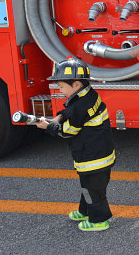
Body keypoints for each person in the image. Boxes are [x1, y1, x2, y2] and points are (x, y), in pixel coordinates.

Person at [36, 58, 115, 232]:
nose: (60, 90)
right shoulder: (88, 95)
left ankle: (99, 220)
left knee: (94, 191)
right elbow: (69, 112)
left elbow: (67, 131)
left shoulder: (80, 105)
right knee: (87, 186)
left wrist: (48, 126)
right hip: (98, 154)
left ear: (76, 84)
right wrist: (58, 117)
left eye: (62, 86)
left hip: (93, 158)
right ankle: (84, 211)